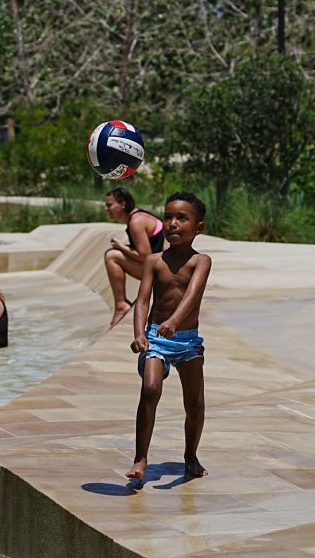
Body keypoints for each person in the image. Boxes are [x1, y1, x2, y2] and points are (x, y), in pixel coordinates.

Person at [127, 192, 212, 482]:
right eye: (168, 217)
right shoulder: (154, 261)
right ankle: (141, 457)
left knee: (195, 404)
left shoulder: (201, 261)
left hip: (187, 340)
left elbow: (192, 295)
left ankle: (190, 454)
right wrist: (139, 334)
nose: (173, 223)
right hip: (156, 338)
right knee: (150, 389)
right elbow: (142, 301)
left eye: (182, 218)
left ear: (198, 227)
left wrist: (175, 321)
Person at [103, 187, 164, 327]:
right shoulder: (138, 217)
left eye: (110, 205)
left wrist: (121, 247)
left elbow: (145, 256)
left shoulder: (136, 222)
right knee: (114, 253)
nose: (107, 209)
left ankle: (121, 305)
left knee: (112, 256)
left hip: (160, 273)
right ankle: (121, 304)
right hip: (159, 267)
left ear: (123, 204)